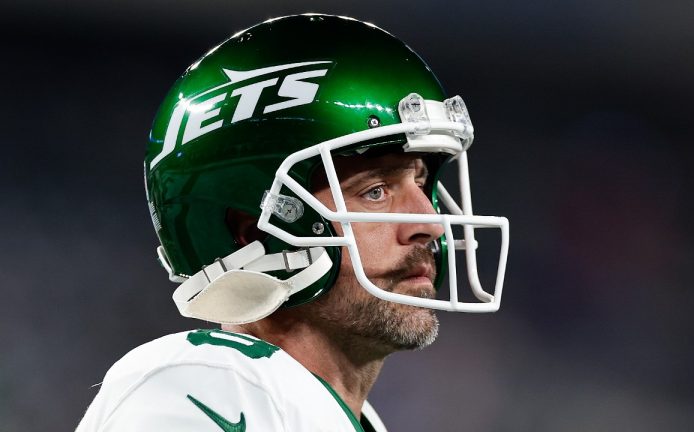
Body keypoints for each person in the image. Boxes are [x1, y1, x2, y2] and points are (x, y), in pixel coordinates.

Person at [77, 14, 509, 431]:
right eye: (375, 191)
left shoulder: (312, 408)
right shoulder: (208, 388)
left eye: (421, 183)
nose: (430, 223)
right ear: (254, 233)